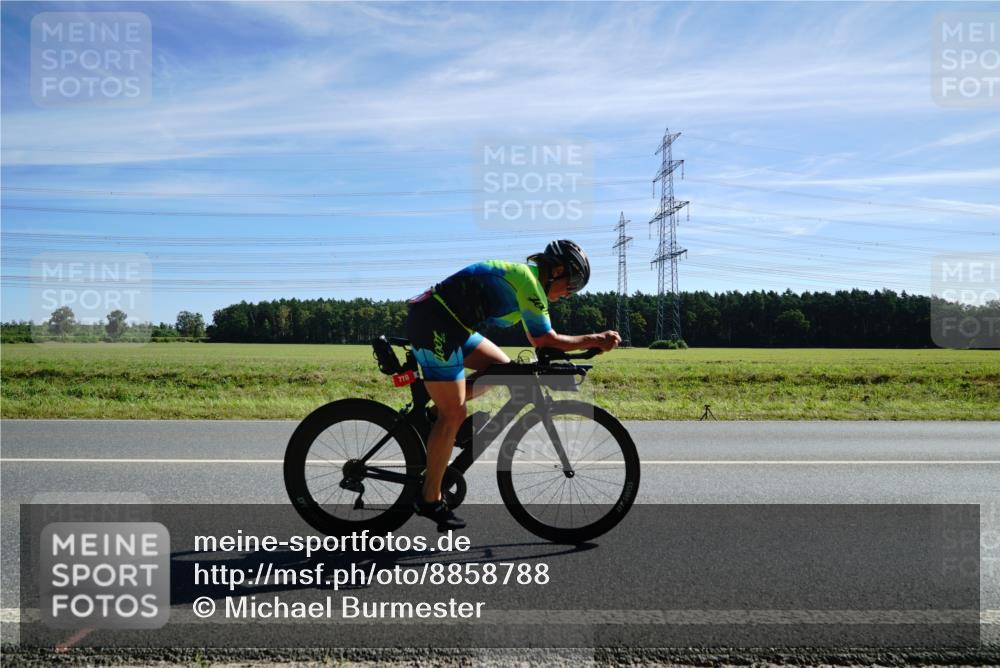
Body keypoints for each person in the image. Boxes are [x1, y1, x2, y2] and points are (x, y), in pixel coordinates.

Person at [404, 239, 621, 530]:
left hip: (452, 324)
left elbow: (540, 342)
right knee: (454, 414)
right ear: (556, 270)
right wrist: (596, 339)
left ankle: (433, 418)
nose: (569, 293)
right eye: (571, 284)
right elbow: (544, 340)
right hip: (436, 322)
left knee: (503, 369)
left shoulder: (529, 283)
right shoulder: (529, 283)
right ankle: (429, 498)